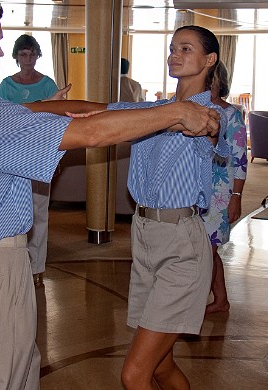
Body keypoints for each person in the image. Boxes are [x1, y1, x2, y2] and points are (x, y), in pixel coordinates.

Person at [0, 0, 219, 390]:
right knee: (3, 381)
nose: (0, 51)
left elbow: (21, 113)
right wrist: (177, 111)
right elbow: (92, 134)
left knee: (16, 370)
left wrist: (56, 105)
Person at [107, 25, 229, 390]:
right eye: (172, 48)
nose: (174, 55)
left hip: (181, 246)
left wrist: (204, 130)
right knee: (160, 368)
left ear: (209, 60)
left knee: (134, 374)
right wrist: (35, 110)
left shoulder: (208, 116)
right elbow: (97, 112)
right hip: (144, 236)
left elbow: (210, 135)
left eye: (185, 49)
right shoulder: (156, 109)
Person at [0, 34, 67, 288]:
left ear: (37, 56)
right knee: (14, 214)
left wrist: (55, 157)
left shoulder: (48, 85)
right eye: (23, 54)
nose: (27, 59)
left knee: (39, 214)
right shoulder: (6, 86)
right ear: (16, 57)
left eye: (32, 54)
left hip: (39, 156)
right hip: (12, 159)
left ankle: (37, 268)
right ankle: (17, 266)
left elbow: (58, 122)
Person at [199, 61, 247, 314]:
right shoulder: (192, 110)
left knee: (208, 250)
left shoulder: (231, 115)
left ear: (221, 82)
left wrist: (236, 196)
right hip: (193, 190)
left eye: (213, 80)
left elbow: (240, 159)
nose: (208, 86)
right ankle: (220, 299)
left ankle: (196, 304)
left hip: (219, 192)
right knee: (206, 250)